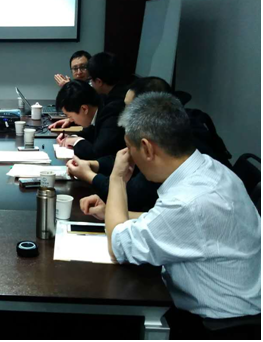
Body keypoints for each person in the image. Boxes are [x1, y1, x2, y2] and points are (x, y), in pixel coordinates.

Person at [81, 92, 261, 337]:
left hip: (215, 326)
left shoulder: (187, 203)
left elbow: (117, 245)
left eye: (129, 147)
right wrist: (117, 213)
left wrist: (117, 179)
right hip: (241, 306)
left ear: (147, 148)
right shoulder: (210, 168)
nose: (127, 154)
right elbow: (180, 224)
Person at [68, 77, 232, 212]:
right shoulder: (177, 130)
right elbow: (127, 158)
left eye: (129, 108)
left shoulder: (169, 150)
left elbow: (133, 200)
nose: (123, 113)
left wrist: (95, 177)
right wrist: (95, 165)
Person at [55, 80, 125, 160]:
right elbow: (92, 131)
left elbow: (97, 153)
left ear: (84, 109)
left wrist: (76, 141)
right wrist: (72, 137)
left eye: (70, 116)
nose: (70, 120)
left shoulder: (111, 114)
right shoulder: (100, 107)